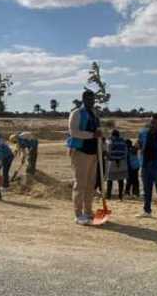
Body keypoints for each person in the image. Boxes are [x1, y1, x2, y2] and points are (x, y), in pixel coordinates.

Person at [67, 90, 102, 226]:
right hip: (80, 152)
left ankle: (88, 212)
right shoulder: (76, 113)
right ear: (83, 99)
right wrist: (91, 135)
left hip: (93, 153)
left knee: (90, 185)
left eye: (93, 99)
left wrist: (101, 147)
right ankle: (78, 214)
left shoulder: (94, 114)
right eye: (89, 99)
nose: (92, 102)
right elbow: (73, 132)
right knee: (80, 184)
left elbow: (98, 132)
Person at [106, 129, 128, 201]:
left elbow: (108, 152)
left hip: (113, 162)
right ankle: (120, 196)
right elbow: (125, 152)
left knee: (110, 179)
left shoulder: (110, 142)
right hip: (122, 162)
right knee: (120, 180)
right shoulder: (123, 142)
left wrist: (108, 158)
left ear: (113, 135)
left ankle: (108, 195)